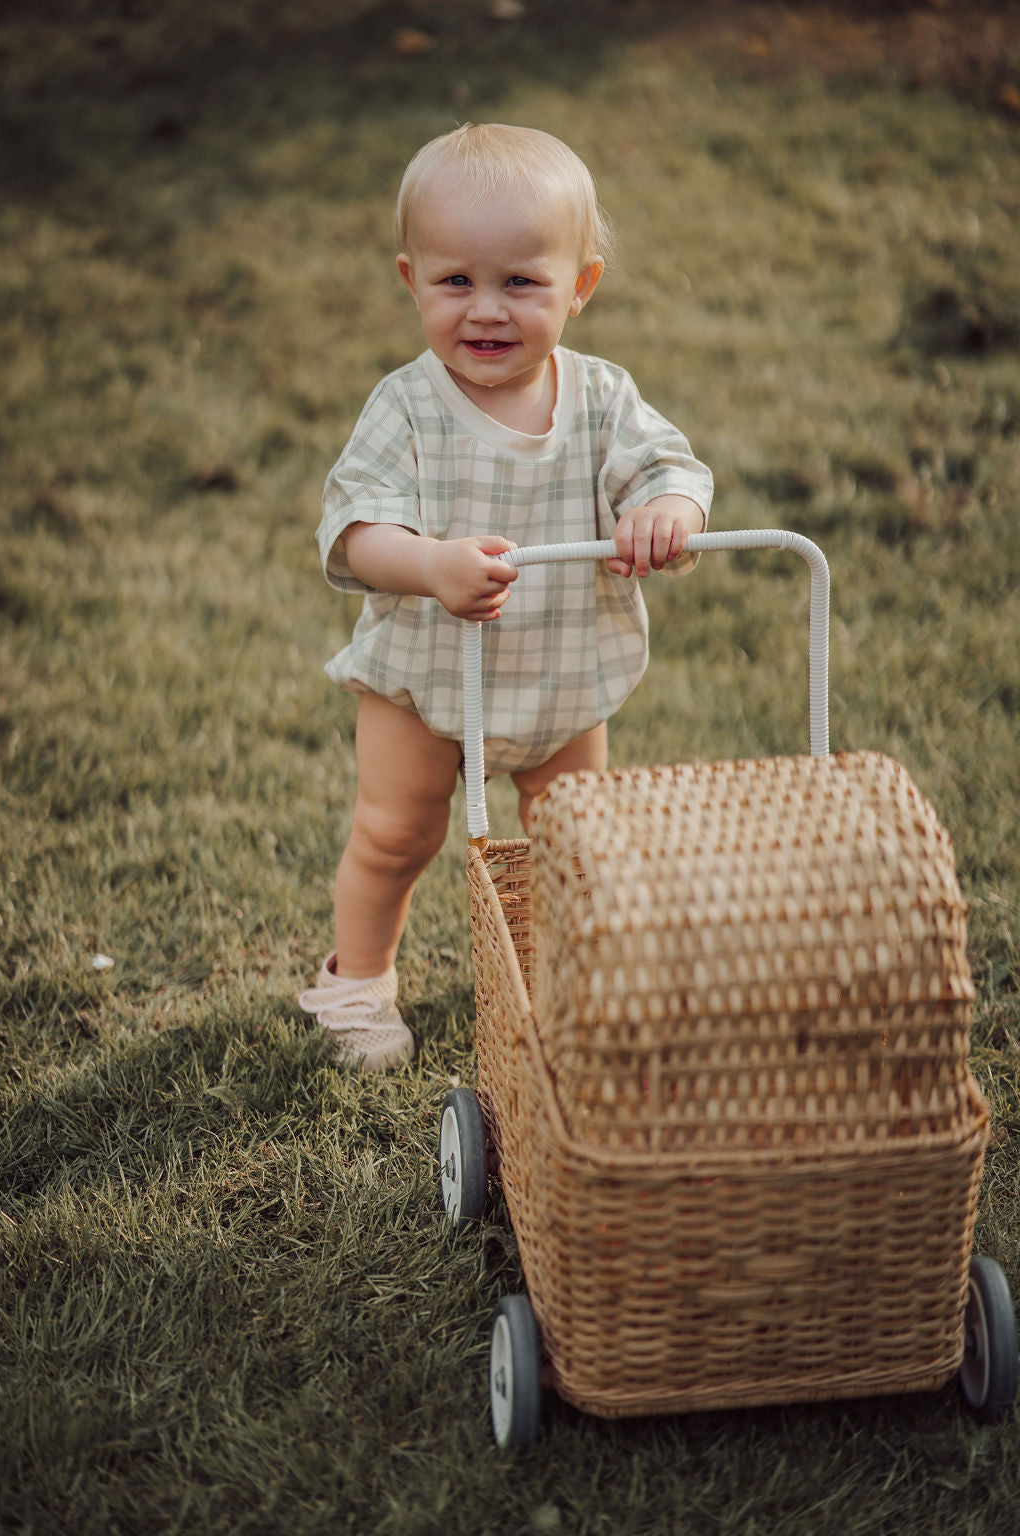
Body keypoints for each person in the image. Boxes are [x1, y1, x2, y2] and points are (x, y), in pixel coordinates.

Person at [299, 123, 713, 1070]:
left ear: (581, 286)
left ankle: (569, 975)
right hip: (424, 678)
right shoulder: (405, 405)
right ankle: (356, 983)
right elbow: (354, 531)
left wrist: (665, 510)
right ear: (412, 281)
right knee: (397, 830)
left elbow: (673, 469)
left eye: (521, 282)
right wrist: (429, 564)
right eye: (456, 282)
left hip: (564, 674)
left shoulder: (602, 398)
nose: (486, 311)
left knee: (574, 838)